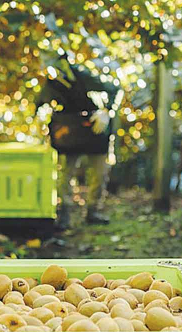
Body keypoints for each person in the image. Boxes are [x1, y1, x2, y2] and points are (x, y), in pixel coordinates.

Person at [38, 55, 123, 228]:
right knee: (65, 174)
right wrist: (41, 119)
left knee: (100, 172)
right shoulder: (52, 83)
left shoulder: (83, 76)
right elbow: (39, 102)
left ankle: (93, 211)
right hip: (68, 133)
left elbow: (114, 89)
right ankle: (64, 214)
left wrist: (106, 111)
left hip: (94, 128)